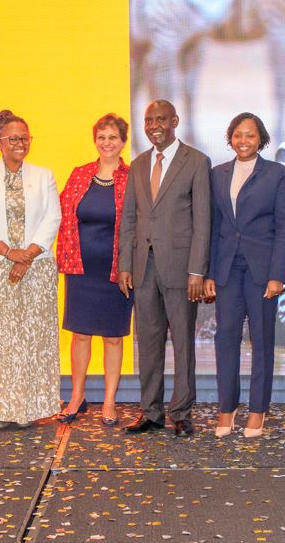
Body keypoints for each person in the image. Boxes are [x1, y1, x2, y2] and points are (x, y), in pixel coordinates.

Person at [117, 100, 211, 437]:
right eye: (148, 120)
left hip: (181, 269)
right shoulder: (139, 164)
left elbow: (203, 222)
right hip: (143, 268)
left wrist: (197, 271)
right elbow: (129, 218)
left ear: (174, 121)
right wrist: (124, 265)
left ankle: (181, 411)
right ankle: (150, 411)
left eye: (161, 119)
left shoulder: (197, 162)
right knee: (150, 342)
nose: (155, 125)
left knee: (183, 342)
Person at [0, 109, 62, 429]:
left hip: (38, 268)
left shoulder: (44, 175)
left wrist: (27, 256)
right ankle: (4, 409)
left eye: (25, 137)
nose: (20, 143)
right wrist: (9, 253)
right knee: (1, 340)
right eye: (13, 138)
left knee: (35, 340)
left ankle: (33, 408)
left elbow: (52, 219)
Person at [204, 112, 285, 439]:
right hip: (227, 269)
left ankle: (258, 411)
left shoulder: (276, 174)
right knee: (225, 337)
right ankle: (227, 408)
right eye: (238, 135)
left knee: (262, 340)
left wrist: (277, 275)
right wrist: (210, 271)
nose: (243, 140)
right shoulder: (218, 174)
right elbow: (214, 227)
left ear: (261, 139)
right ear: (230, 137)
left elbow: (284, 227)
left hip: (261, 270)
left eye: (250, 135)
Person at [57, 114, 134, 426]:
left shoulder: (132, 178)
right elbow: (62, 215)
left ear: (123, 142)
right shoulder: (79, 175)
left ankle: (110, 400)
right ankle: (77, 396)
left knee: (114, 338)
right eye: (102, 137)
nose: (107, 143)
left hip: (118, 272)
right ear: (95, 140)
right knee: (81, 335)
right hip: (81, 269)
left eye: (113, 137)